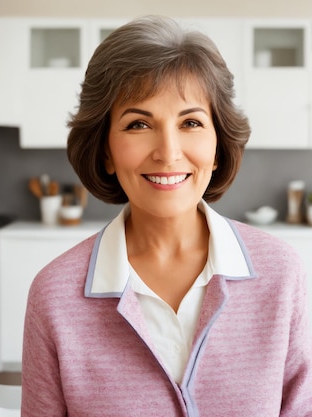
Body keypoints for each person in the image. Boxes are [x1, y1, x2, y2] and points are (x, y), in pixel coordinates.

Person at [21, 15, 312, 416]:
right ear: (105, 149)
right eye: (139, 124)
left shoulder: (281, 274)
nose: (168, 152)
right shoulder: (53, 296)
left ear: (218, 143)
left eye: (191, 122)